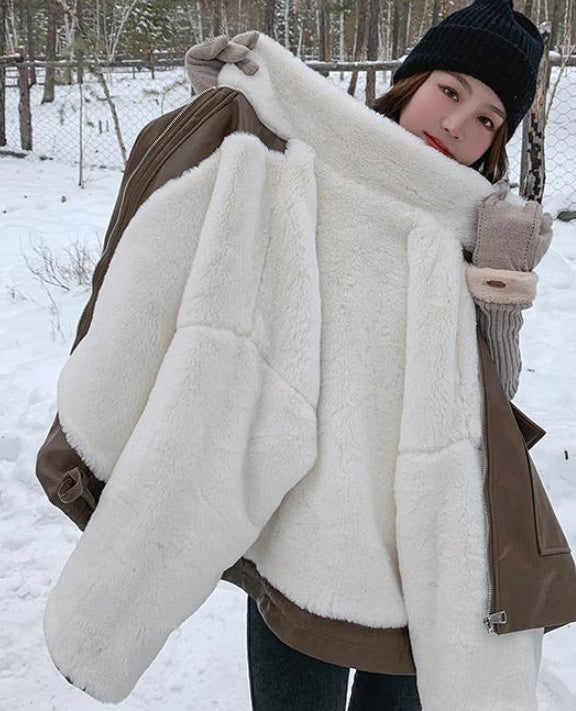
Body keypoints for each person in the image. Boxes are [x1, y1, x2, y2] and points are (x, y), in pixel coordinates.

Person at [37, 1, 576, 709]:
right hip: (301, 541)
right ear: (411, 81)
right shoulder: (310, 161)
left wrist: (500, 297)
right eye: (450, 91)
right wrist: (220, 114)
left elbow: (489, 408)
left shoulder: (473, 222)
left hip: (415, 553)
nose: (457, 127)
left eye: (486, 119)